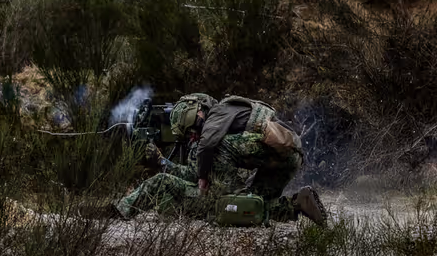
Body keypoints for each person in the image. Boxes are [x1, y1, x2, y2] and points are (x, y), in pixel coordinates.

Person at [116, 93, 328, 225]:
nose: (192, 137)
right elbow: (195, 170)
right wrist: (163, 163)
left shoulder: (215, 122)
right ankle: (298, 204)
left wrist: (201, 178)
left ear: (199, 112)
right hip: (289, 156)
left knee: (225, 202)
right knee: (253, 207)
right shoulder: (227, 119)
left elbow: (204, 157)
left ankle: (119, 211)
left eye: (191, 131)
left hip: (276, 150)